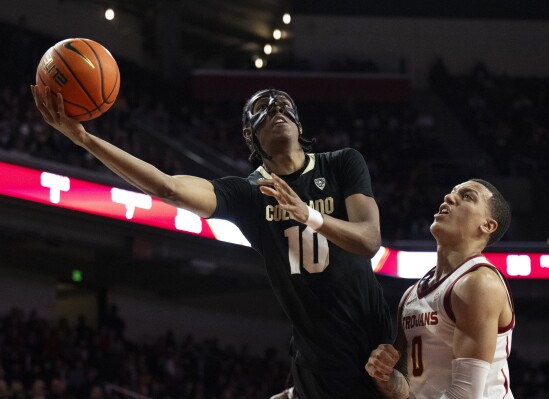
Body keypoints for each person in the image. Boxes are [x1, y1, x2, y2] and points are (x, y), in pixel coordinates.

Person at [31, 86, 393, 398]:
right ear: (250, 135)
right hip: (319, 361)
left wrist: (307, 214)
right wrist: (84, 139)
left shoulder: (343, 163)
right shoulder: (248, 193)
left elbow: (368, 240)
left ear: (299, 123)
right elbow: (167, 187)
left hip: (376, 340)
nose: (276, 109)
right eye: (262, 109)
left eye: (283, 104)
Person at [365, 179, 514, 399]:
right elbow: (407, 389)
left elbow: (466, 394)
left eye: (467, 196)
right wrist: (384, 374)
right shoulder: (411, 295)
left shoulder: (479, 283)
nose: (449, 197)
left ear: (487, 225)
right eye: (451, 192)